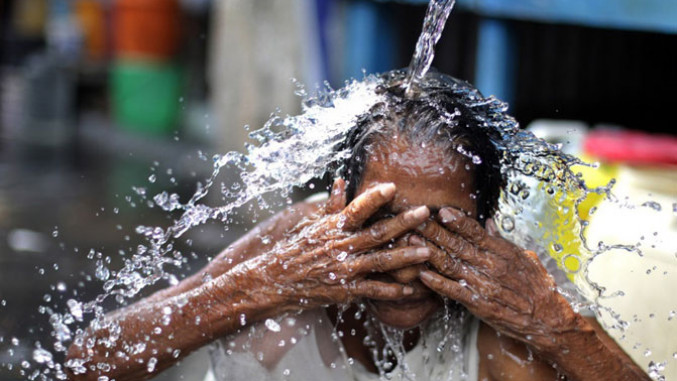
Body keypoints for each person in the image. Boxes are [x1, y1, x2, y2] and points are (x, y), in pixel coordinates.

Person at [66, 74, 648, 381]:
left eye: (445, 228)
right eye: (384, 219)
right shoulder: (293, 250)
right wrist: (264, 286)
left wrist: (553, 325)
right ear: (337, 203)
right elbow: (85, 365)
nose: (407, 254)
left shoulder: (513, 310)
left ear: (487, 228)